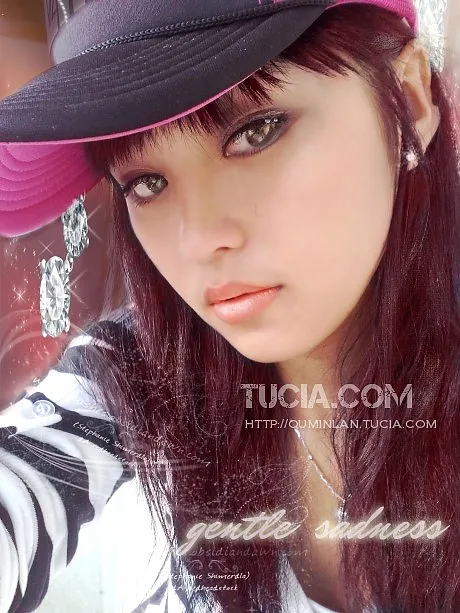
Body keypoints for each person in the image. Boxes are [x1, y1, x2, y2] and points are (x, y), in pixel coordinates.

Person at [0, 0, 459, 611]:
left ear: (410, 98)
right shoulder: (141, 368)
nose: (198, 239)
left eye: (256, 132)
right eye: (145, 183)